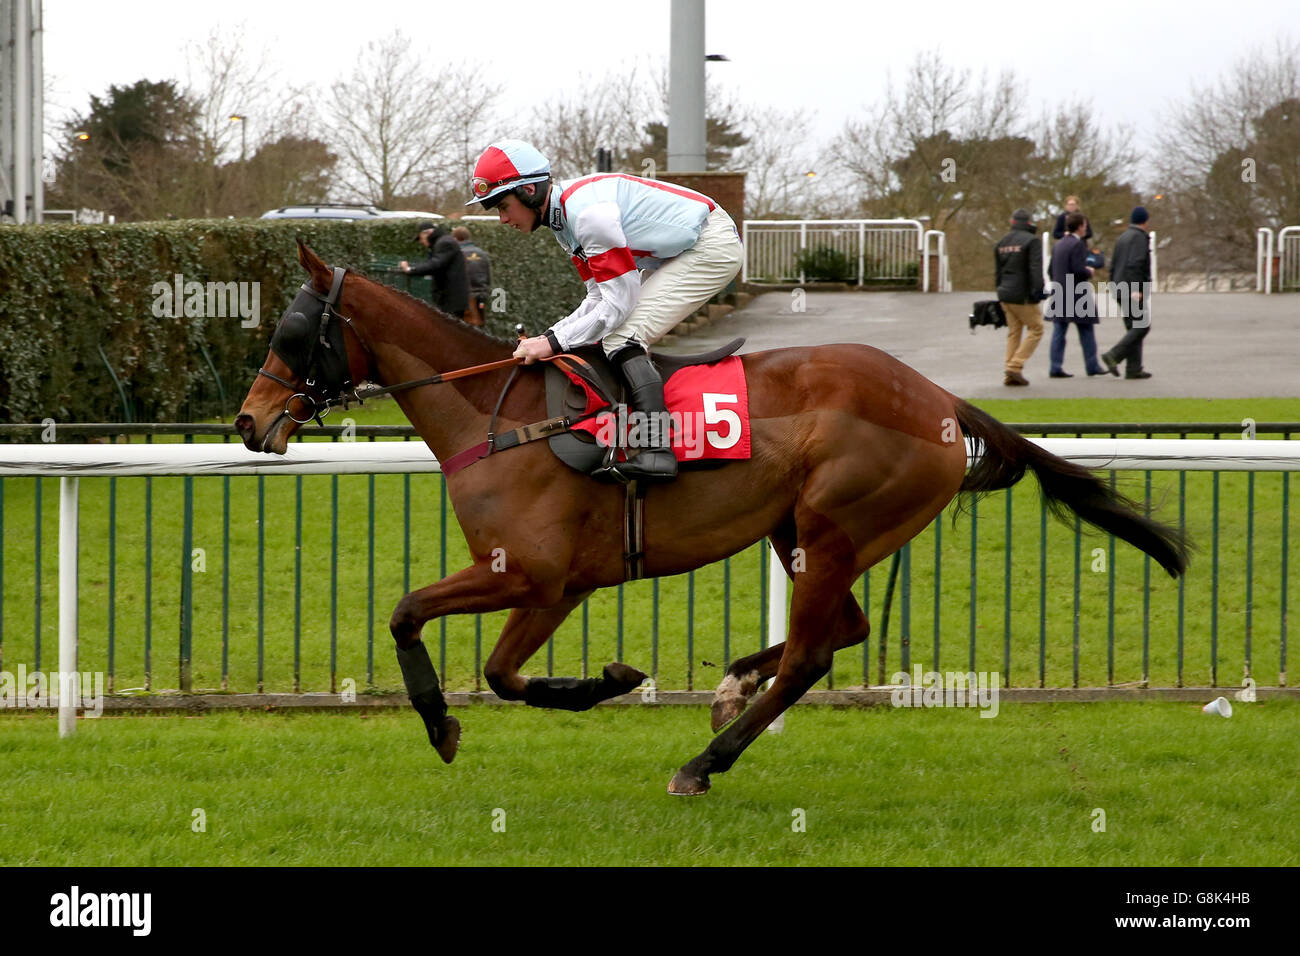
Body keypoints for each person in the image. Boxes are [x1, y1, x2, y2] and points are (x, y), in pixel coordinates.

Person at [467, 138, 744, 482]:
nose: (502, 220)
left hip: (710, 247)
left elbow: (617, 304)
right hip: (684, 250)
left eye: (503, 206)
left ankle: (658, 450)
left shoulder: (588, 217)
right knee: (610, 332)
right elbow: (597, 298)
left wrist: (552, 344)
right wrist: (549, 336)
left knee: (622, 335)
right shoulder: (565, 222)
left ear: (530, 191)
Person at [1045, 213, 1106, 377]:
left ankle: (1055, 366)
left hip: (1059, 291)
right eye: (1084, 225)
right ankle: (1092, 365)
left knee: (1059, 331)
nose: (1086, 228)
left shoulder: (1058, 245)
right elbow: (1078, 269)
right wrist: (1089, 271)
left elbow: (1050, 270)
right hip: (1077, 293)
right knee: (1086, 330)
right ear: (1080, 227)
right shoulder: (1078, 245)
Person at [1100, 206, 1154, 379]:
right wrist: (1137, 288)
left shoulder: (1123, 237)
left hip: (1119, 287)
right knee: (1141, 326)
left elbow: (1114, 264)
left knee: (1133, 327)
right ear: (1145, 221)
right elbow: (1135, 264)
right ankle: (1114, 355)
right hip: (1131, 288)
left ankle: (1134, 368)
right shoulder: (1139, 238)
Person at [993, 208, 1045, 386]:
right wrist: (1039, 290)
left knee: (1014, 332)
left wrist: (999, 291)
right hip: (1022, 294)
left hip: (1005, 293)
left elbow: (998, 272)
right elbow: (1035, 268)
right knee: (1037, 328)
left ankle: (1010, 372)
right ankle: (1015, 366)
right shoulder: (1032, 241)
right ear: (1028, 222)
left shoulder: (1001, 242)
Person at [400, 221, 469, 320]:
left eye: (420, 238)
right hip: (449, 299)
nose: (421, 242)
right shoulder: (442, 242)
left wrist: (410, 269)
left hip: (450, 300)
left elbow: (435, 264)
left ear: (427, 233)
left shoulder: (444, 243)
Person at [452, 225, 491, 327]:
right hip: (481, 296)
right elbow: (487, 275)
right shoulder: (482, 253)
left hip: (465, 297)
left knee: (465, 330)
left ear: (455, 238)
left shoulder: (457, 253)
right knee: (479, 326)